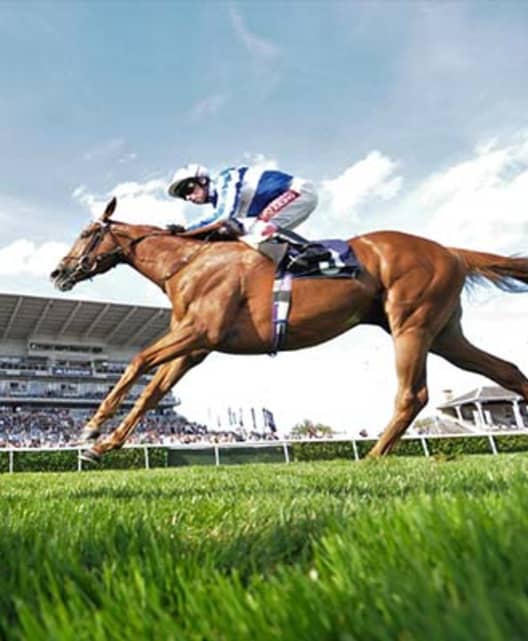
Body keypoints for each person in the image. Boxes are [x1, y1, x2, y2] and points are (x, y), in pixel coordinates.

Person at [167, 163, 330, 266]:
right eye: (184, 196)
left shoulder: (226, 179)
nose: (188, 197)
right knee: (245, 233)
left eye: (188, 190)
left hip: (297, 191)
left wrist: (186, 230)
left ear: (202, 180)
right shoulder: (220, 201)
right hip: (287, 198)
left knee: (256, 228)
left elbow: (223, 215)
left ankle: (313, 252)